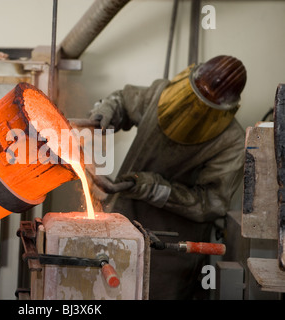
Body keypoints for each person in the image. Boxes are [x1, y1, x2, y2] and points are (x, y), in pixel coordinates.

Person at [89, 55, 247, 300]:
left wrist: (154, 188)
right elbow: (122, 100)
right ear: (190, 79)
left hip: (170, 253)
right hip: (122, 219)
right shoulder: (161, 94)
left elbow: (212, 203)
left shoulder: (232, 142)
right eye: (195, 94)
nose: (193, 108)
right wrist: (105, 112)